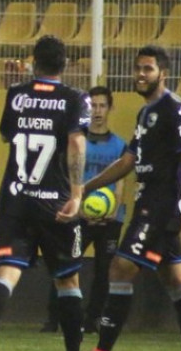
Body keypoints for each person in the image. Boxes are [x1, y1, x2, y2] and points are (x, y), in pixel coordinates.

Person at [81, 45, 181, 351]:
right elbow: (128, 161)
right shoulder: (145, 114)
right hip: (150, 202)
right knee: (176, 279)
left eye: (148, 69)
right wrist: (85, 188)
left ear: (163, 74)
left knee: (121, 267)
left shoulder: (176, 111)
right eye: (138, 69)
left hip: (161, 204)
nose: (141, 75)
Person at [0, 35, 98, 351]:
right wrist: (76, 194)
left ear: (35, 61)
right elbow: (76, 143)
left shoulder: (16, 94)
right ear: (66, 64)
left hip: (15, 200)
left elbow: (6, 135)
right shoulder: (76, 99)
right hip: (54, 204)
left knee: (7, 272)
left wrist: (13, 89)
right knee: (67, 281)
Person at [41, 86, 127, 334]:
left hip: (109, 219)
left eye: (102, 106)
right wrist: (77, 206)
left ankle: (94, 320)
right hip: (78, 214)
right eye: (94, 106)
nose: (98, 111)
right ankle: (53, 319)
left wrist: (112, 210)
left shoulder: (119, 146)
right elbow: (68, 175)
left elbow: (120, 182)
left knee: (104, 271)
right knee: (67, 264)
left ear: (110, 109)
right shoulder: (76, 141)